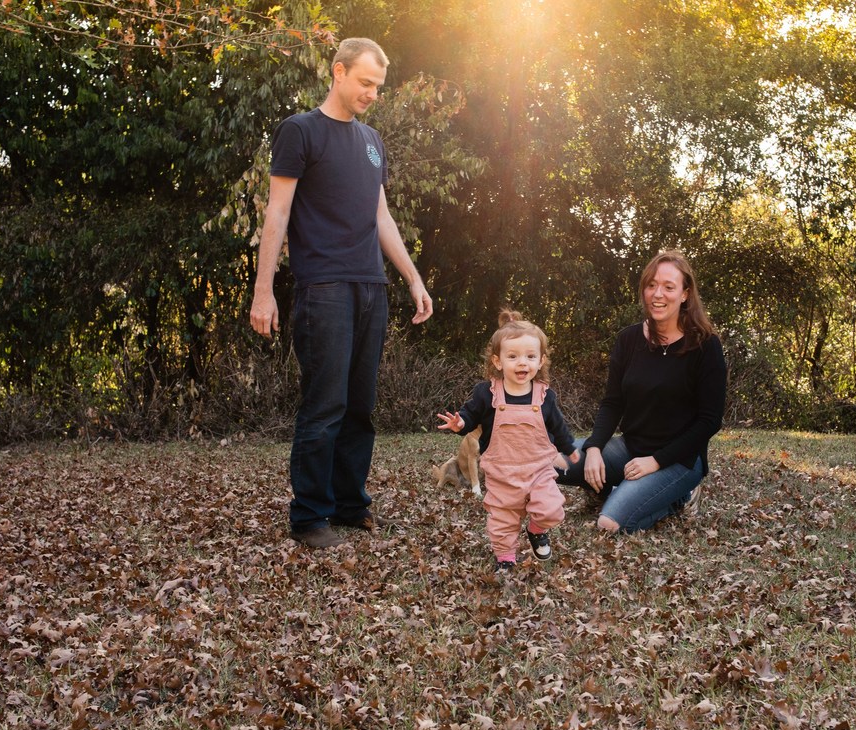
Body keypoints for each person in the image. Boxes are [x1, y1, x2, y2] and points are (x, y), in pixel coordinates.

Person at [249, 38, 433, 549]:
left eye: (379, 86)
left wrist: (413, 278)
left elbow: (381, 216)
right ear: (338, 71)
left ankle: (351, 506)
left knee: (360, 406)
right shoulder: (300, 131)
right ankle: (310, 517)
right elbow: (277, 213)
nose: (372, 93)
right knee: (325, 404)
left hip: (371, 285)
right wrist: (263, 291)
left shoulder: (372, 140)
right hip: (323, 287)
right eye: (365, 82)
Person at [557, 249, 726, 533]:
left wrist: (656, 462)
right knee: (548, 463)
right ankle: (609, 487)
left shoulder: (706, 346)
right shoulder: (628, 339)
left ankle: (680, 498)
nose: (658, 294)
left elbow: (709, 421)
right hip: (629, 448)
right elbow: (613, 402)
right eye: (651, 285)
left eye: (669, 287)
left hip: (679, 460)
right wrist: (595, 447)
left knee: (609, 524)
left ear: (685, 294)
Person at [437, 311, 580, 573]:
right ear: (498, 361)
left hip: (538, 469)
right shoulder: (486, 393)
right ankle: (505, 558)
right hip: (502, 471)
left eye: (530, 356)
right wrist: (460, 424)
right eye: (513, 356)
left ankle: (536, 529)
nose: (522, 362)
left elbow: (557, 425)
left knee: (551, 508)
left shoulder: (545, 396)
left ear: (541, 360)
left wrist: (569, 447)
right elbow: (470, 414)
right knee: (503, 520)